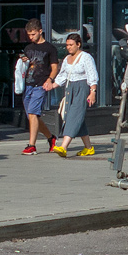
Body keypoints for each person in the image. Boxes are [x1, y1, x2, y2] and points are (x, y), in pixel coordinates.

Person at [53, 33, 98, 157]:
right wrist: (53, 85)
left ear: (78, 44)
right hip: (70, 88)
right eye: (67, 45)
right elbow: (62, 75)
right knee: (77, 118)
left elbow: (92, 75)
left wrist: (92, 92)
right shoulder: (67, 59)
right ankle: (89, 148)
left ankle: (63, 146)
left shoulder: (86, 57)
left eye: (71, 45)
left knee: (73, 116)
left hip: (82, 88)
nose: (69, 47)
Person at [20, 18, 59, 155]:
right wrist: (23, 60)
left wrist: (49, 80)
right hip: (28, 84)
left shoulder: (49, 48)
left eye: (33, 34)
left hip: (40, 84)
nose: (31, 37)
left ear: (40, 31)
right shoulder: (28, 48)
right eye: (29, 34)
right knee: (33, 116)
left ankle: (32, 145)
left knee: (32, 113)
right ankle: (51, 137)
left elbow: (55, 67)